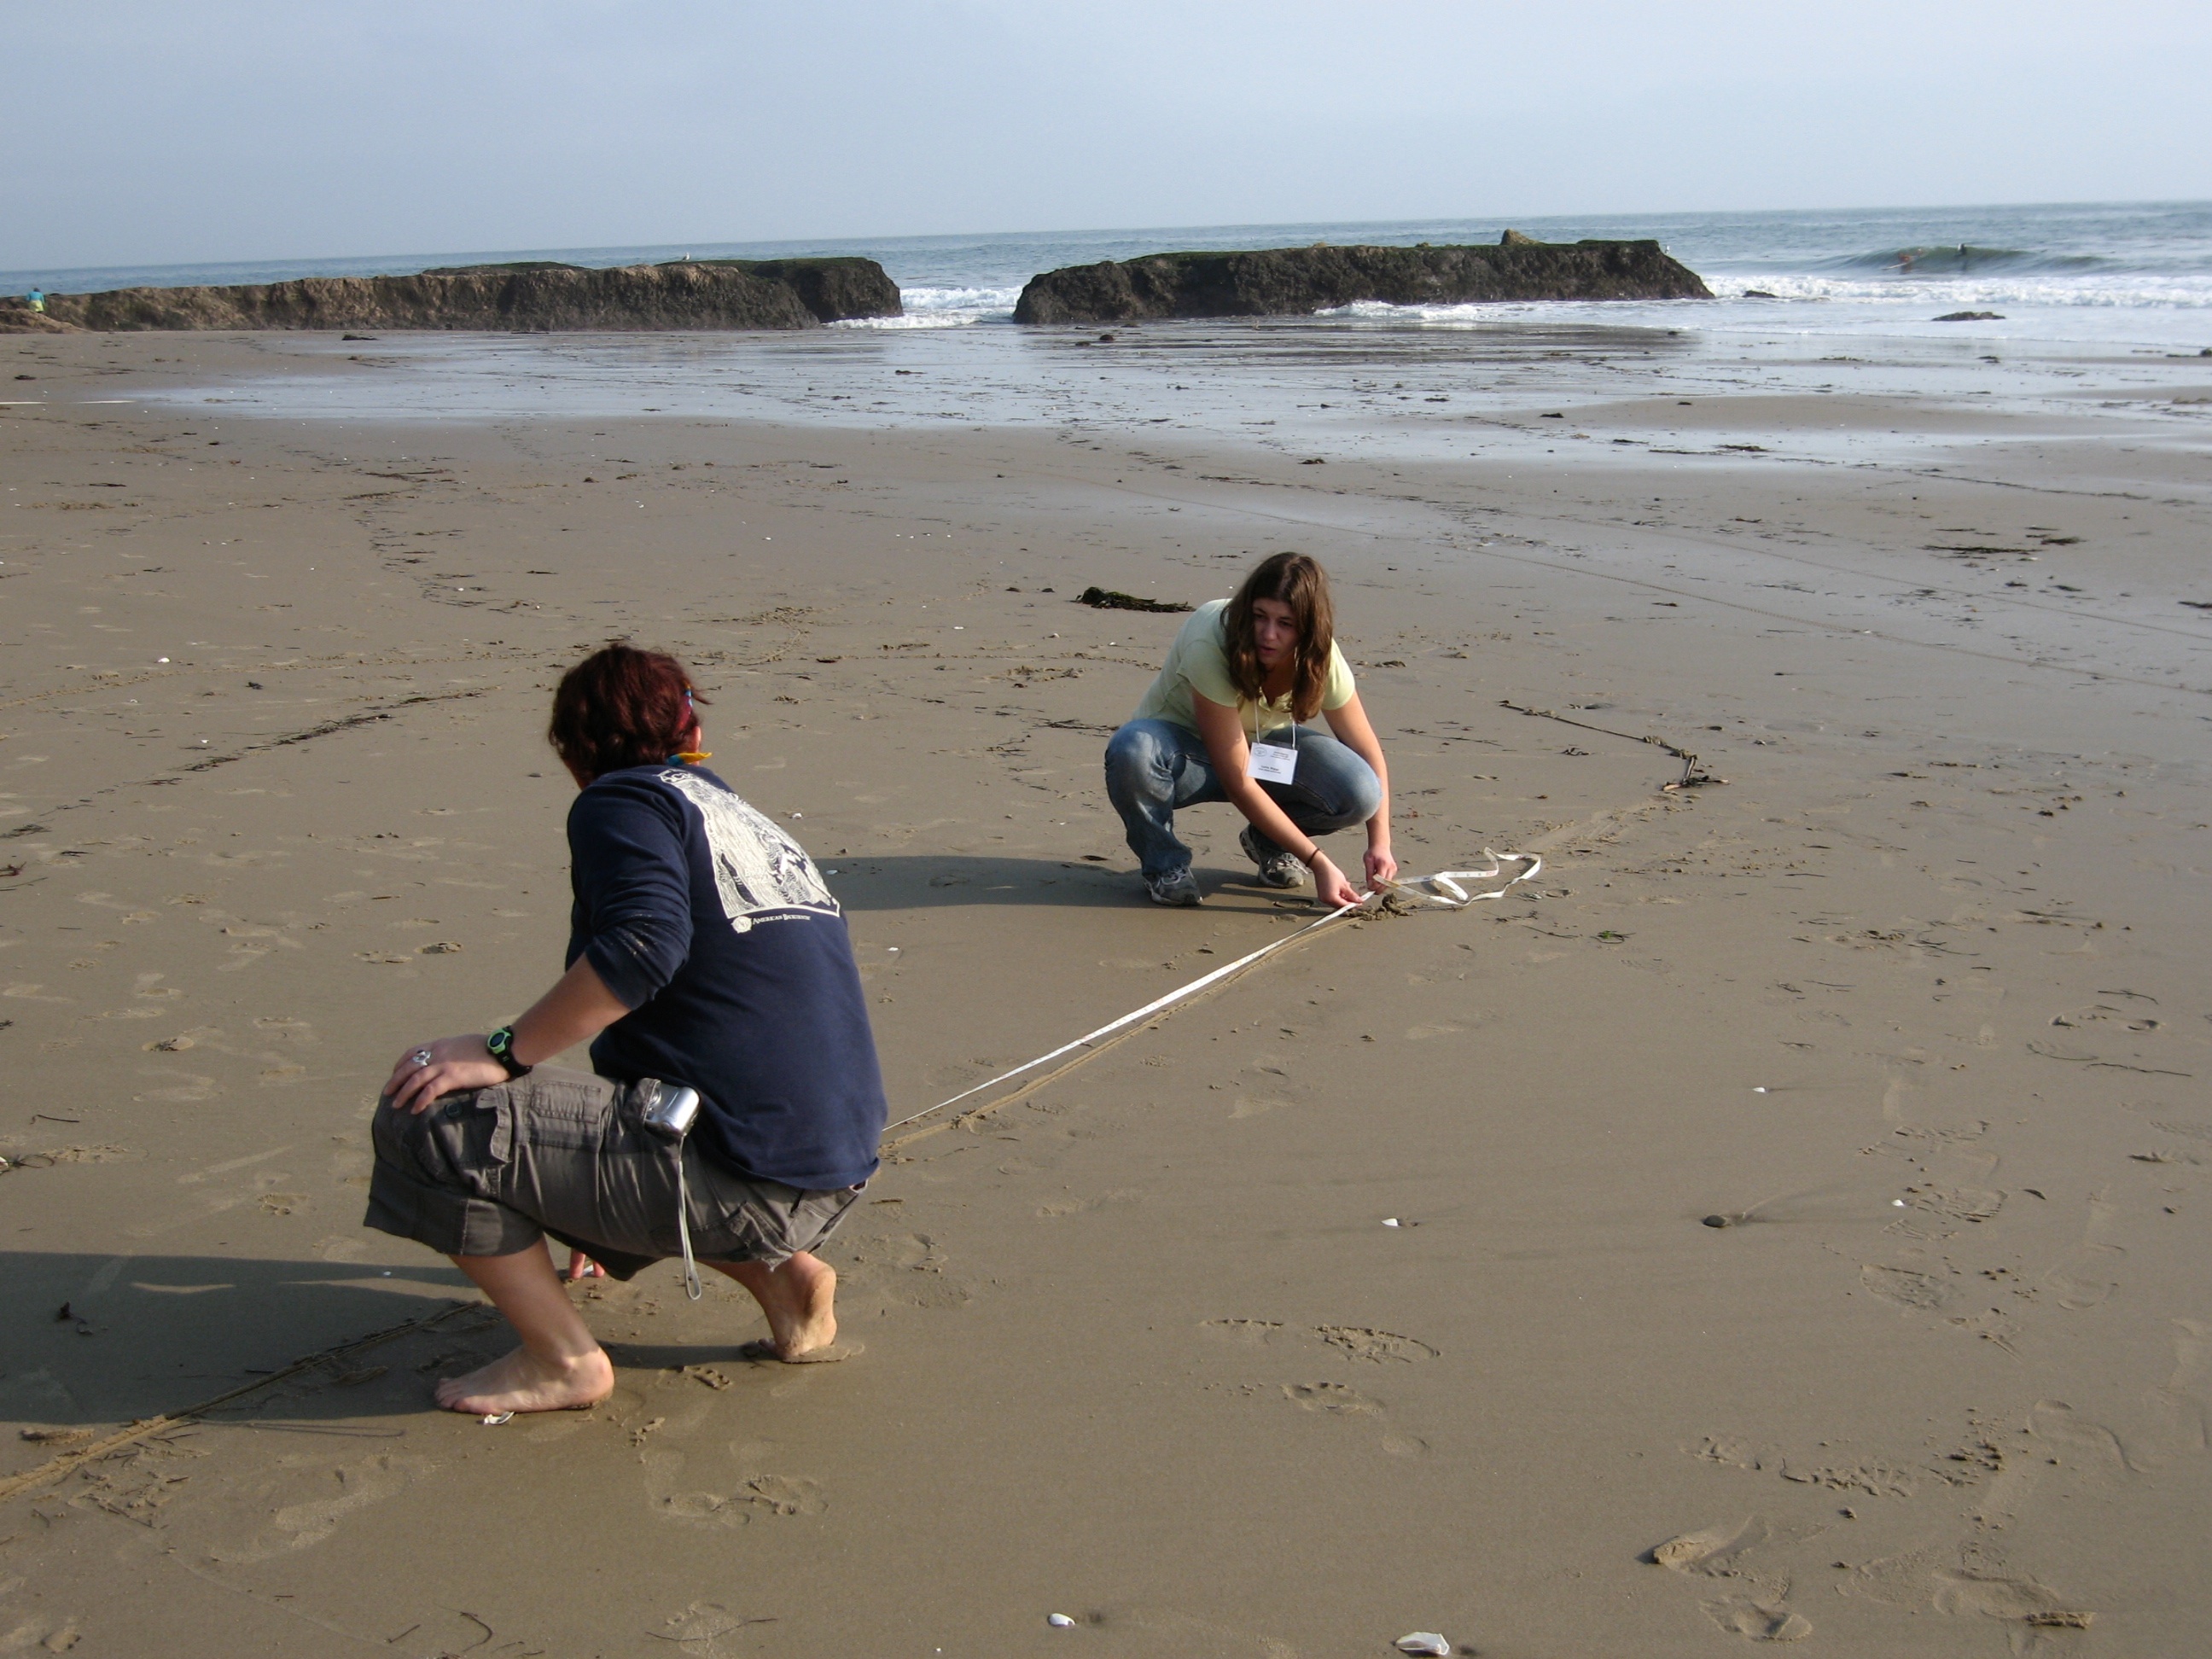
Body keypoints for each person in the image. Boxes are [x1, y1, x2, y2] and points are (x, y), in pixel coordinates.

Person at [366, 643, 887, 1415]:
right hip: (826, 1170)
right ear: (688, 730)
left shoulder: (622, 804)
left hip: (745, 1176)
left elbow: (642, 949)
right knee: (549, 1124)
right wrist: (586, 1180)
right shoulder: (732, 814)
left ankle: (563, 1362)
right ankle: (784, 1276)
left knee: (430, 1109)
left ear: (577, 749)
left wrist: (503, 1052)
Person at [1103, 551, 1395, 909]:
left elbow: (1367, 749)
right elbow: (1238, 781)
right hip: (1180, 758)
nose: (1268, 635)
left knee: (1361, 791)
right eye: (1260, 617)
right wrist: (1318, 862)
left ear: (1308, 627)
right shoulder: (1211, 638)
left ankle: (1269, 842)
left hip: (1259, 751)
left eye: (1285, 624)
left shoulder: (1320, 657)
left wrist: (1380, 843)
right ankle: (1165, 866)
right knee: (1132, 749)